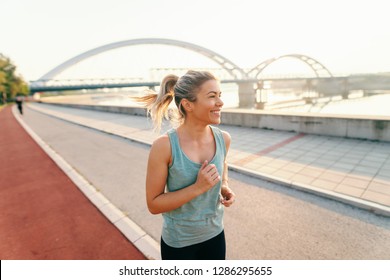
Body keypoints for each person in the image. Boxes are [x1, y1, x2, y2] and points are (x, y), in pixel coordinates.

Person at [135, 70, 236, 260]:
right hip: (179, 244)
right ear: (188, 105)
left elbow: (223, 164)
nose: (220, 103)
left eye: (220, 96)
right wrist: (198, 188)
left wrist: (224, 186)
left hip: (215, 236)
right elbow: (154, 204)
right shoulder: (164, 146)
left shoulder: (224, 139)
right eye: (212, 96)